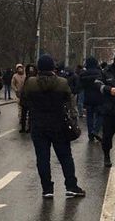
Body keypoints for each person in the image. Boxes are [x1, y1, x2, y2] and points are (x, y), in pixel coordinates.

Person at [21, 54, 85, 199]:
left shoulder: (31, 83)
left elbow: (23, 101)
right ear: (53, 68)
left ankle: (47, 189)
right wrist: (73, 120)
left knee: (42, 158)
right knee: (65, 157)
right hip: (59, 125)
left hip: (38, 125)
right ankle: (71, 186)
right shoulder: (62, 83)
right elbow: (69, 103)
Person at [80, 57, 104, 142]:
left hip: (88, 98)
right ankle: (95, 130)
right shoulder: (100, 73)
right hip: (99, 98)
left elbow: (80, 86)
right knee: (100, 115)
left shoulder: (83, 74)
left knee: (89, 117)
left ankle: (90, 134)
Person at [11, 63, 27, 129]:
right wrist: (16, 89)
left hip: (25, 93)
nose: (20, 69)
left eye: (21, 68)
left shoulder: (25, 75)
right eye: (18, 68)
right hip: (19, 94)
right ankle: (20, 118)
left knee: (25, 106)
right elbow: (12, 84)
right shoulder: (15, 76)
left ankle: (25, 117)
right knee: (20, 106)